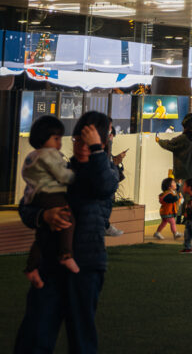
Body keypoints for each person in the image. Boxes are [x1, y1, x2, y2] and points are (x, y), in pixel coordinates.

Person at [14, 111, 120, 354]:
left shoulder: (107, 172)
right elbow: (26, 206)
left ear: (102, 144)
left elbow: (104, 185)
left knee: (81, 337)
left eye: (90, 142)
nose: (81, 147)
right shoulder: (58, 167)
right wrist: (43, 216)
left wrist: (96, 153)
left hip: (87, 264)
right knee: (35, 334)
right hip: (50, 263)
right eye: (77, 140)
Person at [21, 117, 79, 288]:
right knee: (68, 219)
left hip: (37, 196)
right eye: (56, 138)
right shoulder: (49, 155)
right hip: (51, 194)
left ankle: (32, 267)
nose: (60, 143)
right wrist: (76, 177)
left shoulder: (33, 156)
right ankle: (66, 255)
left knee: (44, 233)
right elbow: (62, 175)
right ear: (43, 137)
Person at [155, 112, 192, 182]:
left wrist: (159, 140)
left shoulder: (183, 139)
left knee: (182, 192)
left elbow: (169, 144)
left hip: (182, 176)